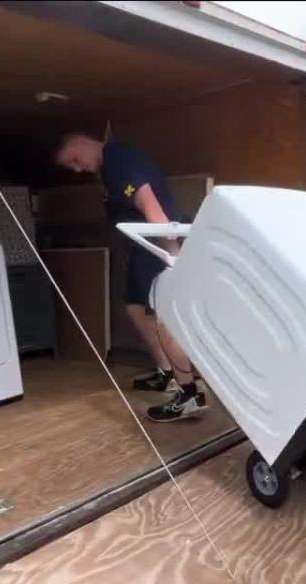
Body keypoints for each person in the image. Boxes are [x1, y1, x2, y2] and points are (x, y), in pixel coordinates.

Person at [56, 132, 206, 423]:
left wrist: (171, 256)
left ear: (82, 143)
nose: (77, 169)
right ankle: (168, 374)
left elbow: (151, 207)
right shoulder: (110, 165)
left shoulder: (118, 159)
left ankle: (189, 394)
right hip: (144, 247)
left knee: (164, 318)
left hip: (155, 246)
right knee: (136, 308)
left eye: (74, 160)